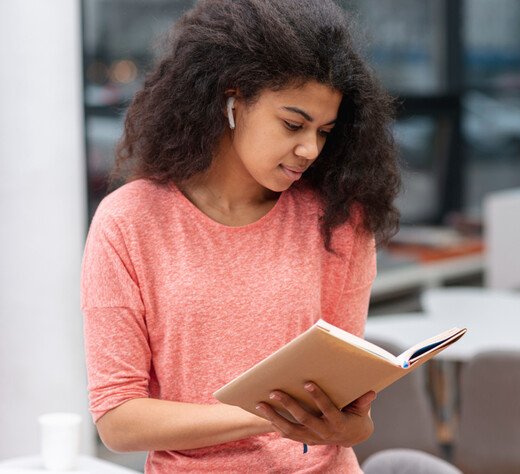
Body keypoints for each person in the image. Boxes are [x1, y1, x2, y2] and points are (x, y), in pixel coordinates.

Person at [80, 0, 400, 472]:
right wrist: (268, 418)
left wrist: (344, 423)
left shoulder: (339, 220)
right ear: (233, 100)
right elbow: (118, 420)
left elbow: (355, 422)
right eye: (293, 124)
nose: (309, 148)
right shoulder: (130, 220)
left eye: (324, 132)